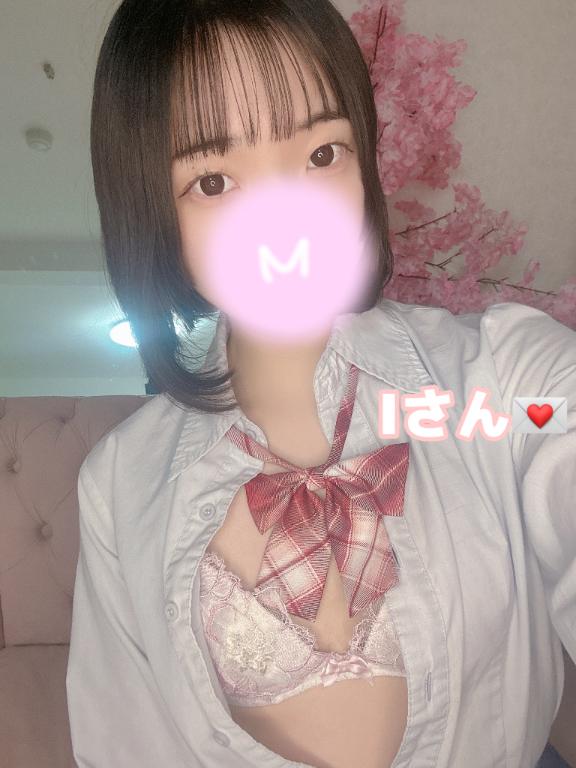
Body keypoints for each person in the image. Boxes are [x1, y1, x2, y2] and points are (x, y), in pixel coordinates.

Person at [65, 1, 576, 767]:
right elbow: (125, 745)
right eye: (213, 180)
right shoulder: (118, 485)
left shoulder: (504, 384)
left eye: (320, 154)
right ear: (153, 214)